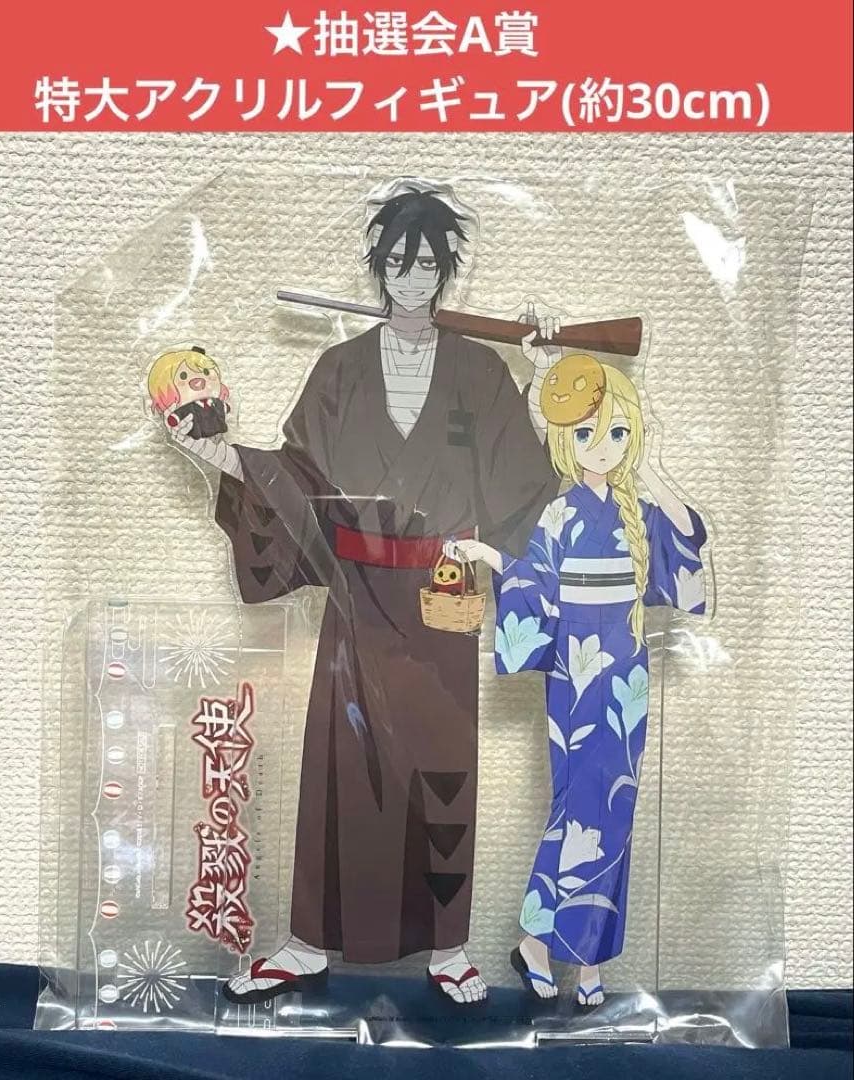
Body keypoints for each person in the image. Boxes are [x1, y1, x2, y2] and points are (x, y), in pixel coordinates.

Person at [164, 185, 558, 1006]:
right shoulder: (339, 369)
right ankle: (309, 942)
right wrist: (221, 459)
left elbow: (524, 481)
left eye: (428, 262)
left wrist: (544, 375)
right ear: (379, 268)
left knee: (442, 769)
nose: (412, 277)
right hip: (355, 596)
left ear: (446, 271)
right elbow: (296, 479)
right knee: (340, 769)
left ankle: (448, 946)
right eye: (398, 261)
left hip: (443, 597)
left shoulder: (481, 370)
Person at [453, 322, 708, 1007]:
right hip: (577, 664)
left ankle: (584, 960)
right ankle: (539, 943)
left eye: (618, 431)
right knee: (576, 808)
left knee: (615, 812)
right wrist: (487, 558)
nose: (605, 445)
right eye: (590, 432)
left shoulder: (637, 513)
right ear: (567, 438)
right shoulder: (561, 512)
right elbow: (533, 579)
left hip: (627, 666)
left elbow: (689, 533)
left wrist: (647, 466)